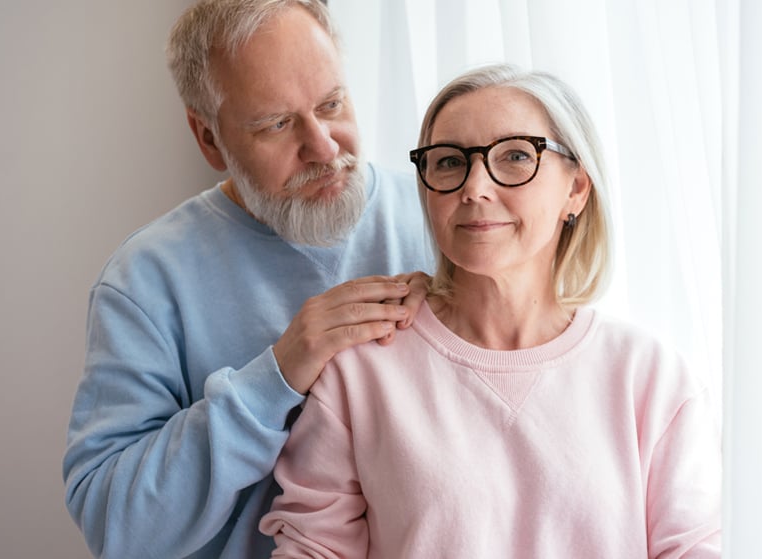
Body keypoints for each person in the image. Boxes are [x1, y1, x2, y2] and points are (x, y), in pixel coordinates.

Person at [260, 63, 722, 557]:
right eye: (449, 162)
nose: (474, 187)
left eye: (516, 156)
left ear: (576, 189)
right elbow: (314, 548)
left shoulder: (649, 376)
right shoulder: (360, 371)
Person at [62, 1, 433, 557]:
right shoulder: (145, 282)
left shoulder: (442, 220)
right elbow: (115, 525)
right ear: (208, 138)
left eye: (332, 103)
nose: (324, 148)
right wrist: (274, 379)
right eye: (277, 124)